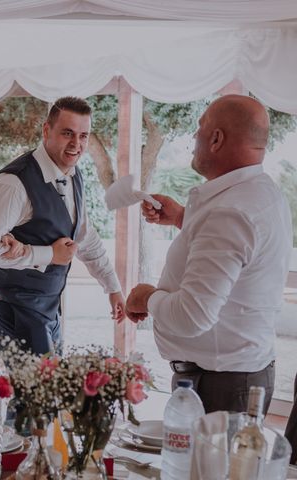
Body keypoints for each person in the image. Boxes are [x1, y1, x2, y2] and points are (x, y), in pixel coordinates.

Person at [126, 94, 292, 414]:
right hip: (233, 377)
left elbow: (193, 316)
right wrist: (179, 217)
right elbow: (240, 247)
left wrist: (147, 297)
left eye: (199, 129)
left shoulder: (229, 211)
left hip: (220, 388)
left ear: (216, 139)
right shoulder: (262, 192)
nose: (194, 138)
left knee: (203, 467)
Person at [0, 96, 125, 355]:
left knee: (48, 392)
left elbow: (84, 237)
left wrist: (113, 287)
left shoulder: (74, 175)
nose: (77, 144)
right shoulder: (13, 183)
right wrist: (49, 255)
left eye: (84, 135)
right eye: (67, 133)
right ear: (46, 130)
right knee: (39, 393)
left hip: (45, 307)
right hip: (11, 306)